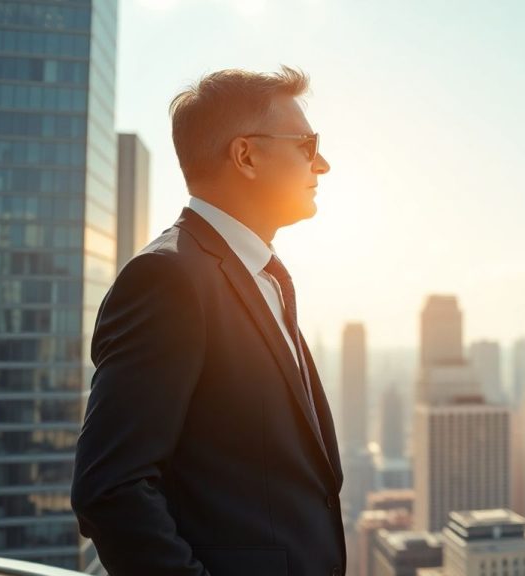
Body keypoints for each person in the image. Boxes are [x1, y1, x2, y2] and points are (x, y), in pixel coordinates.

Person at [71, 66, 343, 576]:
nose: (322, 164)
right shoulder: (168, 279)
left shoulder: (261, 274)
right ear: (246, 155)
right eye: (307, 145)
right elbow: (109, 488)